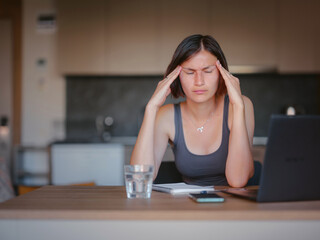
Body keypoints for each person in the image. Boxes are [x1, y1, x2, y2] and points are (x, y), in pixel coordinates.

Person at [130, 34, 254, 187]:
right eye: (189, 72)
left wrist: (238, 106)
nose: (199, 81)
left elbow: (238, 180)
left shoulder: (242, 105)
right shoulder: (166, 116)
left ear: (222, 74)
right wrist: (151, 108)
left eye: (208, 71)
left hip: (233, 208)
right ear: (176, 76)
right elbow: (138, 180)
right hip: (188, 208)